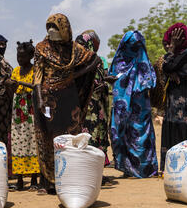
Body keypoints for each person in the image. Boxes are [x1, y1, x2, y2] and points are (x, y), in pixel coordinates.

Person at [33, 13, 98, 194]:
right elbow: (37, 76)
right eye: (49, 27)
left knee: (69, 137)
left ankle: (68, 177)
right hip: (47, 101)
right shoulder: (41, 48)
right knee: (48, 139)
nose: (51, 31)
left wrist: (74, 76)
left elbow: (95, 60)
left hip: (69, 100)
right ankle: (48, 182)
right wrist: (39, 99)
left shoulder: (75, 50)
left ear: (65, 29)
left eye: (55, 27)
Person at [109, 30, 159, 178]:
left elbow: (151, 83)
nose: (134, 48)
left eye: (137, 45)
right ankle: (128, 168)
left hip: (140, 112)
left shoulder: (143, 62)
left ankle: (145, 169)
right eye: (131, 45)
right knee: (122, 134)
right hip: (122, 112)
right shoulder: (119, 63)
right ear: (125, 45)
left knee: (140, 136)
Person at [160, 23, 187, 175]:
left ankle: (181, 168)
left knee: (180, 127)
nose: (169, 44)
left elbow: (166, 66)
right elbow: (165, 68)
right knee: (172, 126)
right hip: (174, 95)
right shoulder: (179, 55)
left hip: (181, 96)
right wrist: (170, 71)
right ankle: (171, 168)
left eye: (173, 39)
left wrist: (171, 50)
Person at [75, 31, 114, 174]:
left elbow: (99, 79)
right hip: (86, 106)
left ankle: (97, 174)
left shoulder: (96, 60)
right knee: (88, 137)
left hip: (98, 106)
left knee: (98, 135)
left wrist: (105, 81)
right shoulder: (79, 61)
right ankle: (88, 172)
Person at [9, 40, 40, 191]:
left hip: (31, 110)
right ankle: (20, 180)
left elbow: (36, 87)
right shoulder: (15, 71)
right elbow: (14, 89)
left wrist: (19, 83)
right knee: (18, 143)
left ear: (30, 56)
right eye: (18, 56)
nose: (19, 59)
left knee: (32, 142)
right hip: (18, 111)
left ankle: (34, 179)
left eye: (22, 56)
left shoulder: (35, 70)